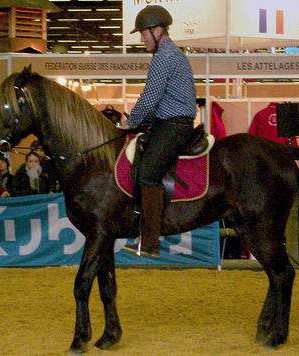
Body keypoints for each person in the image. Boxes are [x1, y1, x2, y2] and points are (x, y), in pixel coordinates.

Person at [121, 5, 196, 257]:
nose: (141, 39)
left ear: (157, 30)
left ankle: (150, 241)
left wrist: (130, 123)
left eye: (143, 33)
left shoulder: (164, 57)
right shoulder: (169, 54)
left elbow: (150, 97)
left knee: (148, 175)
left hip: (174, 124)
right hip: (170, 121)